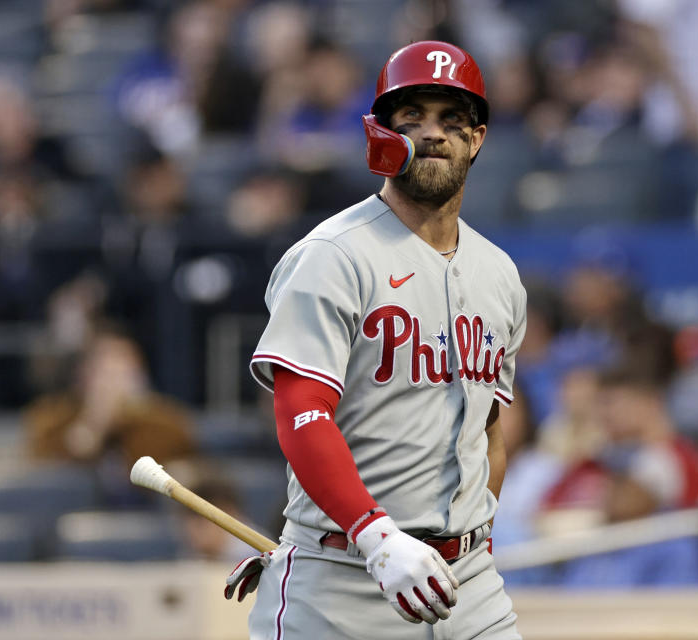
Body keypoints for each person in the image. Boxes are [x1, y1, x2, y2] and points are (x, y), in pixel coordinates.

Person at [225, 41, 526, 639]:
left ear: (478, 138)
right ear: (381, 135)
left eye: (451, 119)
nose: (433, 133)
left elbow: (490, 430)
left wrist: (473, 538)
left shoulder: (501, 275)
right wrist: (377, 536)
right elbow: (300, 412)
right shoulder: (331, 256)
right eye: (412, 118)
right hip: (343, 582)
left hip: (467, 586)